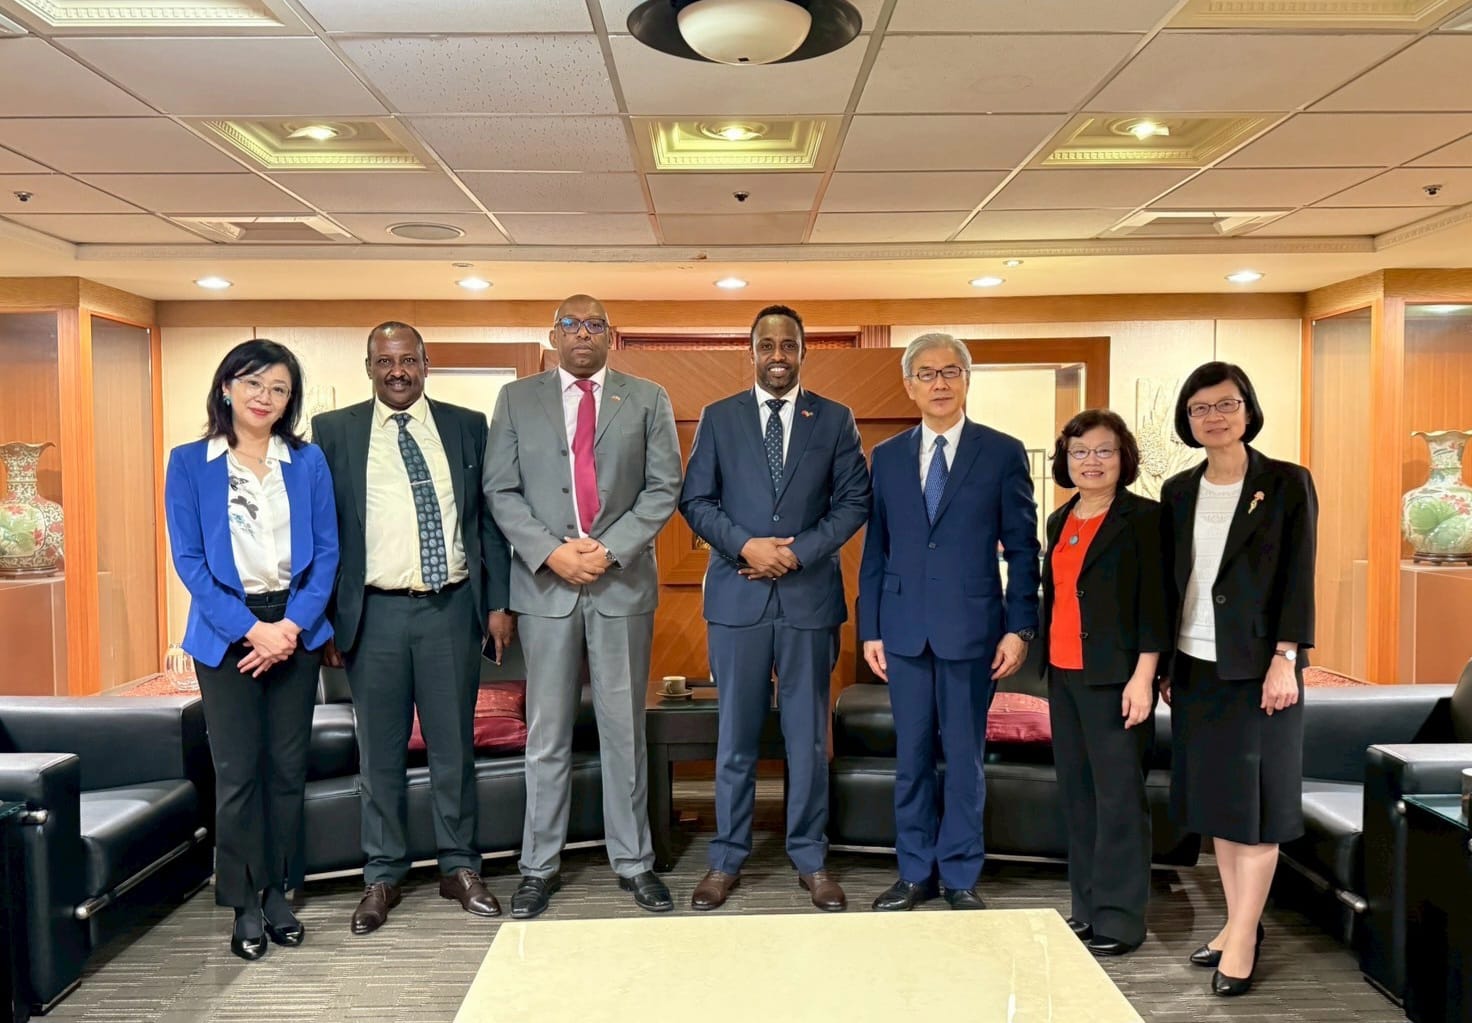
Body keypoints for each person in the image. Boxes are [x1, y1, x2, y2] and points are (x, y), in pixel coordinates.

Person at [312, 321, 514, 936]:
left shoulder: (465, 425)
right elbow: (322, 530)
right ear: (368, 366)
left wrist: (498, 603)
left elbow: (486, 522)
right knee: (380, 752)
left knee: (454, 744)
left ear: (427, 364)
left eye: (408, 360)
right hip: (373, 612)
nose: (397, 371)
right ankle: (383, 873)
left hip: (451, 608)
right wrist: (323, 615)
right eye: (384, 361)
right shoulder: (333, 432)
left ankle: (459, 866)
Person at [485, 293, 683, 918]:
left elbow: (663, 487)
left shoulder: (647, 398)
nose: (581, 335)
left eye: (593, 325)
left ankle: (634, 862)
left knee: (624, 728)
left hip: (620, 584)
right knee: (547, 735)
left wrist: (608, 549)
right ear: (552, 334)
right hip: (546, 589)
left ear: (610, 336)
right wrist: (552, 554)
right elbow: (500, 489)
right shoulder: (517, 400)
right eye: (570, 324)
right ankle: (538, 867)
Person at [678, 304, 871, 912]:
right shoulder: (719, 416)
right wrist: (746, 545)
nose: (778, 355)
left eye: (789, 344)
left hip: (808, 600)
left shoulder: (835, 420)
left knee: (807, 737)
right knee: (734, 736)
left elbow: (853, 501)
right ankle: (726, 858)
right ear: (752, 351)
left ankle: (810, 857)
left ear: (804, 351)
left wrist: (795, 554)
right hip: (737, 599)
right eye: (768, 344)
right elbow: (696, 499)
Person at [164, 339, 338, 961]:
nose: (266, 398)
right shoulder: (190, 462)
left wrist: (288, 629)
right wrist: (251, 630)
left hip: (295, 628)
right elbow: (189, 560)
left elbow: (326, 552)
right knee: (238, 774)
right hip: (226, 634)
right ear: (227, 388)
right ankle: (242, 901)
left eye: (280, 389)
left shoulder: (307, 461)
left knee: (287, 771)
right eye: (254, 384)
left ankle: (278, 893)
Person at [857, 332, 1041, 912]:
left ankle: (960, 874)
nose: (940, 383)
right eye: (927, 374)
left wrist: (1020, 627)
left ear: (966, 380)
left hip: (974, 633)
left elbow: (1022, 548)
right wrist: (870, 629)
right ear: (909, 385)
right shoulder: (885, 457)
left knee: (964, 761)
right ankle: (915, 873)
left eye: (951, 372)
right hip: (904, 631)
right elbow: (876, 551)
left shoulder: (1002, 452)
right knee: (910, 759)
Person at [1159, 361, 1317, 998]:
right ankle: (1235, 921)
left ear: (1248, 409)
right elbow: (1177, 582)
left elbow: (1298, 574)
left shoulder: (1284, 483)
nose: (1213, 417)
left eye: (1225, 405)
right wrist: (1167, 664)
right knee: (1221, 806)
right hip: (1195, 666)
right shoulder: (1178, 489)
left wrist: (1287, 656)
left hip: (1258, 669)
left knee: (1255, 806)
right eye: (1200, 408)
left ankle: (1245, 937)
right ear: (1188, 419)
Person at [1039, 409, 1167, 957]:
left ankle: (1120, 921)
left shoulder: (1143, 519)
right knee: (1079, 797)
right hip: (1064, 677)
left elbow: (1156, 604)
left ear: (1123, 459)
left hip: (1117, 679)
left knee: (1118, 800)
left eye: (1104, 451)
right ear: (1066, 460)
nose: (1091, 462)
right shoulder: (1060, 519)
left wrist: (1145, 676)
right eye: (1080, 452)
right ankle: (1087, 910)